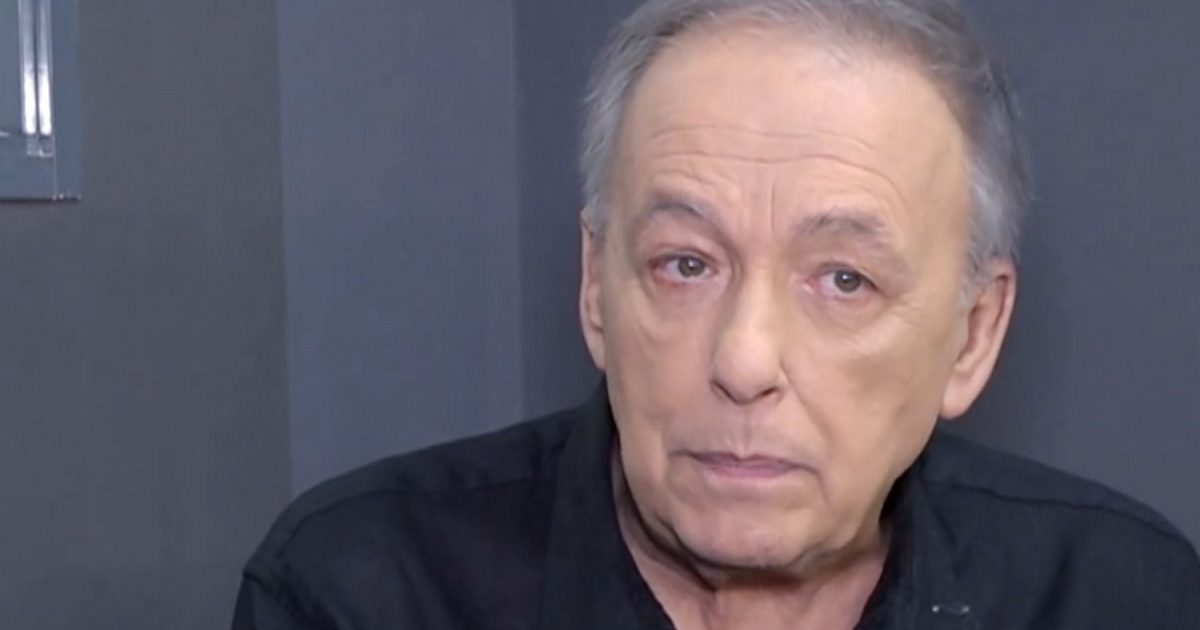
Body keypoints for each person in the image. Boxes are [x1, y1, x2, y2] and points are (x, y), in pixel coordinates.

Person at [232, 0, 1200, 627]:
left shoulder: (1119, 598)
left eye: (844, 281)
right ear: (595, 287)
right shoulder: (362, 592)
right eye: (686, 264)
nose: (743, 360)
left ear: (973, 335)